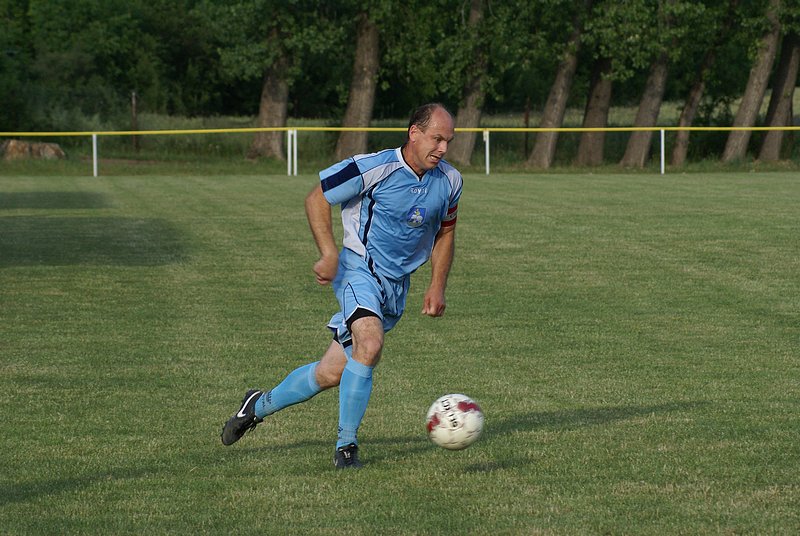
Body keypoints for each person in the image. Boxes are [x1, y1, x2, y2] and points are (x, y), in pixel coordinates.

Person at [220, 103, 463, 469]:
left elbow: (446, 233)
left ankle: (257, 406)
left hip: (395, 287)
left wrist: (437, 285)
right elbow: (317, 197)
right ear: (414, 133)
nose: (443, 148)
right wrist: (329, 252)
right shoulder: (373, 167)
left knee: (330, 372)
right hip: (357, 270)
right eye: (437, 139)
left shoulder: (450, 181)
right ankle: (346, 447)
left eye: (448, 141)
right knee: (370, 344)